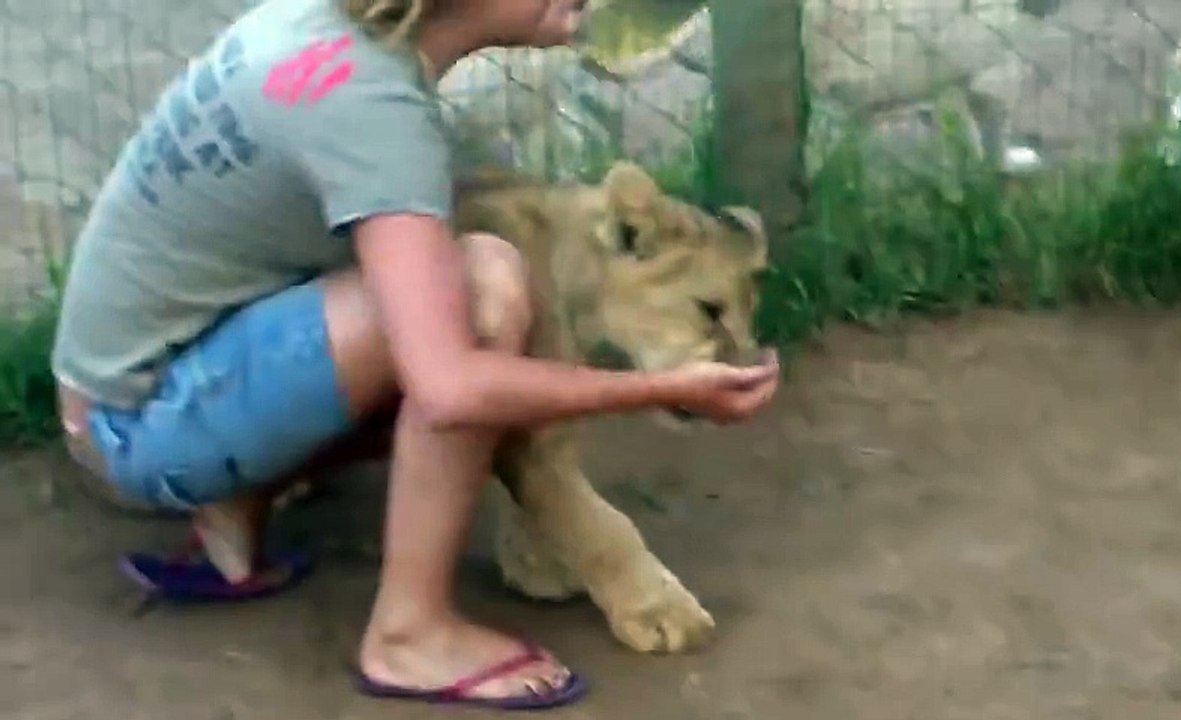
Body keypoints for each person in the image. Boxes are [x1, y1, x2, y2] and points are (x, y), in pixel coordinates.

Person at [52, 0, 780, 710]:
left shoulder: (337, 32)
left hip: (130, 389)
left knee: (448, 306)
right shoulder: (377, 110)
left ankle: (239, 498)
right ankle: (410, 634)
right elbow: (450, 389)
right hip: (139, 429)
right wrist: (655, 391)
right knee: (477, 292)